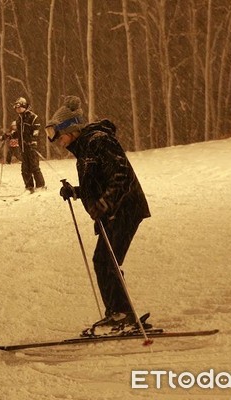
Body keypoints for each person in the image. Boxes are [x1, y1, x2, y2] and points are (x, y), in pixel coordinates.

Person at [46, 95, 151, 331]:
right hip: (113, 211)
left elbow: (122, 176)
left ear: (72, 130)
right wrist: (76, 191)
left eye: (60, 137)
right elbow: (98, 183)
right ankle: (119, 312)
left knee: (106, 260)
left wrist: (105, 204)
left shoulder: (100, 141)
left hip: (125, 208)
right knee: (104, 261)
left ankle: (121, 313)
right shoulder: (85, 148)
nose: (60, 143)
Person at [12, 97, 45, 192]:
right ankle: (29, 187)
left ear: (24, 107)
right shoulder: (19, 119)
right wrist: (10, 135)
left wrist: (34, 142)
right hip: (23, 147)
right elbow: (19, 132)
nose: (17, 110)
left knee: (34, 167)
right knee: (25, 169)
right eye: (16, 108)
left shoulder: (33, 117)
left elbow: (36, 131)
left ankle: (40, 186)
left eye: (19, 107)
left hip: (32, 147)